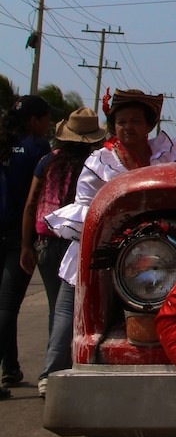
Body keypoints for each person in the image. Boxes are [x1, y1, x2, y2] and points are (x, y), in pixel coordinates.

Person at [43, 89, 176, 388]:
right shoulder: (99, 161)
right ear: (113, 126)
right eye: (122, 122)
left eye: (135, 121)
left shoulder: (167, 157)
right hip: (98, 251)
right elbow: (85, 205)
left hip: (153, 256)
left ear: (149, 125)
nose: (128, 127)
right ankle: (51, 377)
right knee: (71, 315)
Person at [19, 107, 107, 396]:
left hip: (45, 240)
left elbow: (31, 203)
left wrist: (26, 245)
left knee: (59, 309)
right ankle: (59, 368)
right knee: (70, 309)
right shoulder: (96, 164)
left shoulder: (48, 161)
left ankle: (51, 371)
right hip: (77, 241)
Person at [0, 95, 52, 398]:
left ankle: (10, 367)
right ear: (34, 120)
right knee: (7, 307)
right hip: (18, 238)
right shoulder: (38, 149)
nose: (48, 124)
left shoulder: (3, 145)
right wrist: (28, 244)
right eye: (46, 119)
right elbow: (36, 200)